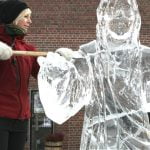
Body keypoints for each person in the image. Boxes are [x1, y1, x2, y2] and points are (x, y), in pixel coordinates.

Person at [38, 0, 150, 149]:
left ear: (135, 17)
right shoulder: (89, 56)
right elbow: (59, 110)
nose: (121, 17)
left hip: (137, 141)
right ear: (103, 17)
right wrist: (57, 72)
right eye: (114, 13)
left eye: (126, 12)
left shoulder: (145, 58)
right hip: (98, 141)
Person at [0, 0, 39, 150]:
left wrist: (59, 61)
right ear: (13, 18)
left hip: (21, 119)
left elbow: (45, 73)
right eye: (26, 16)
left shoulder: (27, 49)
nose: (30, 21)